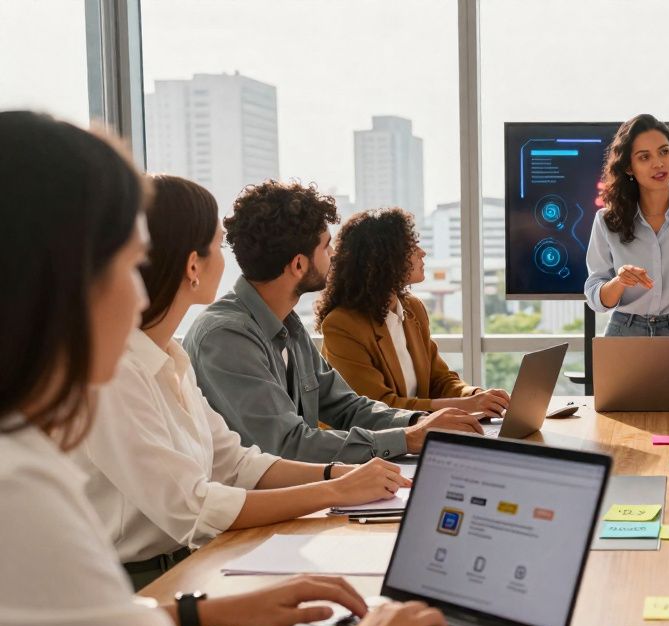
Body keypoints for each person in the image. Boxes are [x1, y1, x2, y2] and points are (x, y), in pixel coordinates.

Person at [0, 110, 453, 626]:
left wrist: (204, 614)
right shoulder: (16, 487)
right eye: (130, 266)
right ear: (59, 275)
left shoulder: (159, 365)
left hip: (176, 582)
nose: (138, 296)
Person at [73, 175, 413, 590]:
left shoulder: (169, 361)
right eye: (218, 245)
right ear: (192, 266)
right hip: (134, 586)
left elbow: (235, 463)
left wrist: (335, 474)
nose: (229, 259)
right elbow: (194, 508)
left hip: (194, 560)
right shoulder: (113, 373)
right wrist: (336, 490)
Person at [184, 180, 481, 464]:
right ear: (299, 265)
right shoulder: (225, 337)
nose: (335, 255)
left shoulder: (288, 326)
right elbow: (287, 445)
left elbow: (347, 406)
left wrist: (422, 423)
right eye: (326, 247)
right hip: (255, 508)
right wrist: (406, 437)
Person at [317, 207, 510, 415]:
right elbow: (377, 409)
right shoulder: (342, 325)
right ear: (385, 258)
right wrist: (466, 406)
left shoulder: (413, 309)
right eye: (412, 246)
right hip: (374, 443)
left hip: (418, 435)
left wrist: (477, 395)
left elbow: (440, 380)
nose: (422, 252)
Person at [583, 113, 669, 337]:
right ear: (629, 168)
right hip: (623, 333)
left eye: (664, 151)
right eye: (644, 157)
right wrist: (620, 282)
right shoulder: (605, 220)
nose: (658, 163)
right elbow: (596, 298)